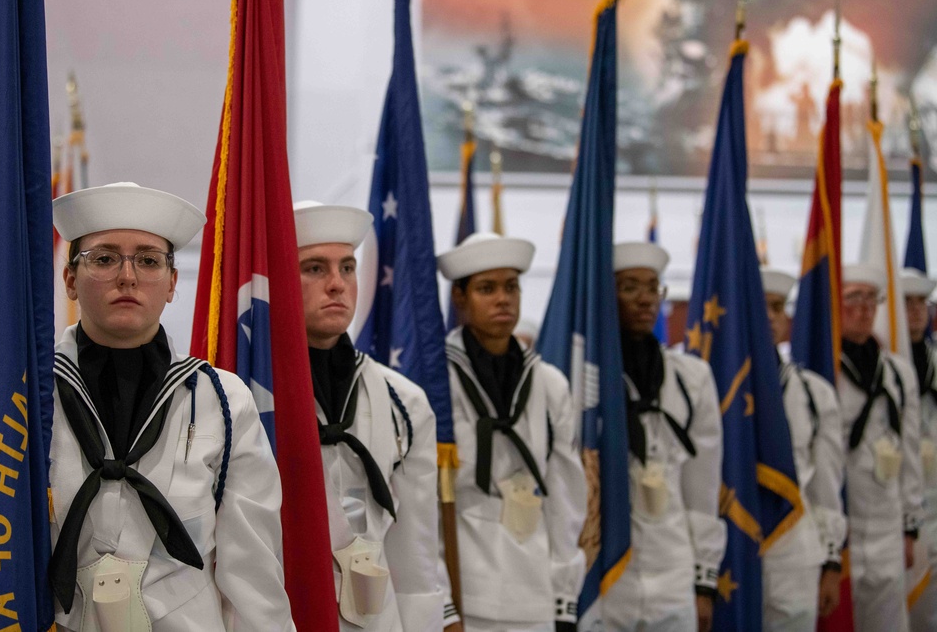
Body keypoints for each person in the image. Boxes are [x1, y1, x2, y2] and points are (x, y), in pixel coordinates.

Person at [49, 182, 295, 631]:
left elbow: (252, 573)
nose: (128, 276)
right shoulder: (30, 399)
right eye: (104, 259)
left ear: (172, 284)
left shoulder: (222, 400)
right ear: (70, 279)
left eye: (148, 260)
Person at [293, 201, 444, 632]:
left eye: (347, 267)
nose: (338, 285)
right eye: (315, 269)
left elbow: (415, 542)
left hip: (381, 617)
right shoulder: (251, 397)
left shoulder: (404, 400)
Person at [436, 232, 587, 632]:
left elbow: (566, 496)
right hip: (465, 586)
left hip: (534, 591)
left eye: (511, 287)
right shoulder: (435, 383)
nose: (503, 299)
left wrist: (563, 598)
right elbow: (422, 503)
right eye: (487, 289)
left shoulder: (549, 383)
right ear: (460, 298)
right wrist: (443, 604)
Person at [579, 241, 725, 632]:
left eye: (652, 288)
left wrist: (703, 580)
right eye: (630, 288)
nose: (645, 300)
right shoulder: (587, 381)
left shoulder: (691, 378)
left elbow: (702, 485)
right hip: (608, 575)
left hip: (673, 568)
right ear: (607, 296)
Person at [759, 268, 846, 630]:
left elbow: (826, 485)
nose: (768, 317)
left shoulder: (813, 392)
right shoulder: (713, 389)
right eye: (759, 306)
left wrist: (830, 561)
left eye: (777, 308)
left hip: (796, 549)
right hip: (735, 548)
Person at [838, 264, 923, 632]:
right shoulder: (821, 368)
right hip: (845, 529)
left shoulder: (897, 372)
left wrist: (910, 526)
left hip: (888, 526)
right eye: (853, 298)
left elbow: (911, 451)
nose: (863, 308)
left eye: (871, 298)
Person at [901, 268, 937, 632]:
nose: (915, 310)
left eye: (921, 303)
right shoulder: (881, 369)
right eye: (905, 302)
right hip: (899, 517)